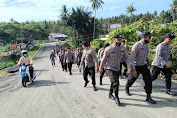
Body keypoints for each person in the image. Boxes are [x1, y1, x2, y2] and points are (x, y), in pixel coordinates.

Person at [125, 31, 156, 104]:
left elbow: (146, 55)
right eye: (149, 37)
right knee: (133, 78)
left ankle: (148, 96)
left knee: (148, 80)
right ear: (144, 37)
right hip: (136, 66)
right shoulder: (136, 46)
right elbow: (132, 59)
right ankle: (127, 87)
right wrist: (133, 69)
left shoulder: (146, 45)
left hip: (143, 65)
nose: (150, 39)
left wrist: (148, 60)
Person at [100, 34, 131, 106]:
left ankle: (110, 94)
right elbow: (104, 59)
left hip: (118, 68)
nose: (119, 41)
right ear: (114, 40)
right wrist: (101, 68)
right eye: (118, 40)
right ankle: (117, 97)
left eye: (120, 40)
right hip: (110, 68)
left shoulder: (123, 48)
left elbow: (126, 57)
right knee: (116, 83)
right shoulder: (109, 49)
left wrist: (128, 65)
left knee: (113, 82)